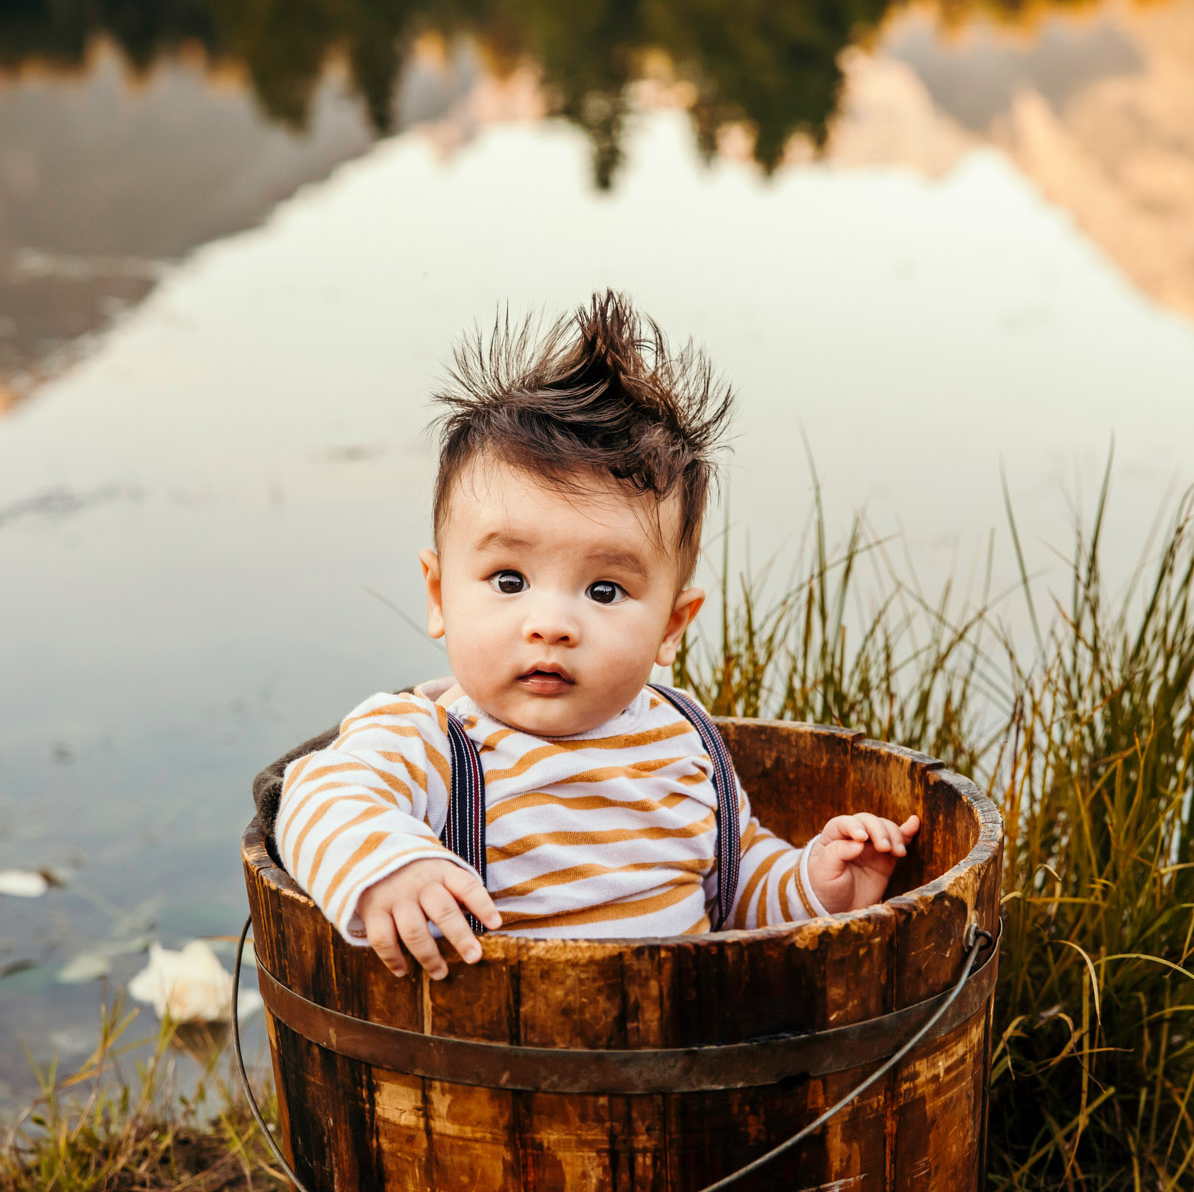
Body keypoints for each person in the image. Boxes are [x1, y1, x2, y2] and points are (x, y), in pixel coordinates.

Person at [272, 291, 917, 979]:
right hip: (491, 1065)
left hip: (676, 1060)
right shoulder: (431, 741)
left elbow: (734, 891)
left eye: (604, 591)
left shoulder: (682, 746)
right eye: (509, 580)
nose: (550, 624)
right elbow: (316, 795)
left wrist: (817, 884)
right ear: (439, 596)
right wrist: (390, 864)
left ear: (672, 626)